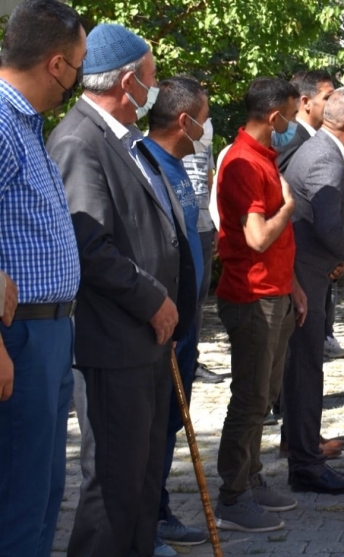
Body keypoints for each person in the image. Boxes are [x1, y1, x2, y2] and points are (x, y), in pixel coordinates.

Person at [48, 23, 198, 557]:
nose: (154, 90)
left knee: (140, 482)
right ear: (128, 80)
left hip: (146, 341)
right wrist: (152, 299)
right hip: (114, 341)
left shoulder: (123, 138)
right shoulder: (79, 141)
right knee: (113, 486)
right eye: (151, 78)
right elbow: (89, 245)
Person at [0, 2, 83, 555]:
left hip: (47, 333)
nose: (76, 79)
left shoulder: (25, 124)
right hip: (18, 337)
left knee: (44, 491)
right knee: (19, 502)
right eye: (77, 65)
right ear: (56, 64)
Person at [214, 77, 303, 532]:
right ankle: (232, 496)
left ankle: (250, 477)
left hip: (275, 292)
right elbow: (257, 237)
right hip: (252, 297)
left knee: (264, 395)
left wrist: (293, 286)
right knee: (250, 398)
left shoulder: (262, 156)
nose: (295, 122)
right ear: (275, 116)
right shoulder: (243, 162)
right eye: (292, 113)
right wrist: (288, 207)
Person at [282, 87, 344, 494]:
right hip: (304, 277)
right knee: (305, 370)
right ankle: (305, 464)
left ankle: (298, 446)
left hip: (310, 269)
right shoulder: (325, 157)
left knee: (300, 368)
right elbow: (329, 227)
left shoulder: (320, 148)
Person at [142, 76, 211, 556]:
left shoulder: (180, 165)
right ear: (184, 121)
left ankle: (159, 509)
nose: (206, 131)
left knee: (168, 425)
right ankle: (144, 522)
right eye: (203, 121)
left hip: (186, 322)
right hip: (160, 325)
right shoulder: (144, 165)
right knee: (149, 430)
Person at [275, 70, 344, 360]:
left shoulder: (320, 140)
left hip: (319, 255)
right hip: (299, 256)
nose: (334, 103)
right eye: (328, 97)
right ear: (305, 102)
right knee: (300, 352)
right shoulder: (292, 141)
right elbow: (285, 198)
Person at [182, 114, 225, 385]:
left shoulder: (205, 143)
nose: (207, 121)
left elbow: (209, 183)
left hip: (204, 227)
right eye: (202, 115)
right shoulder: (159, 141)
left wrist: (214, 225)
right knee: (183, 298)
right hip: (181, 229)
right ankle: (178, 359)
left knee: (198, 300)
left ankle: (192, 360)